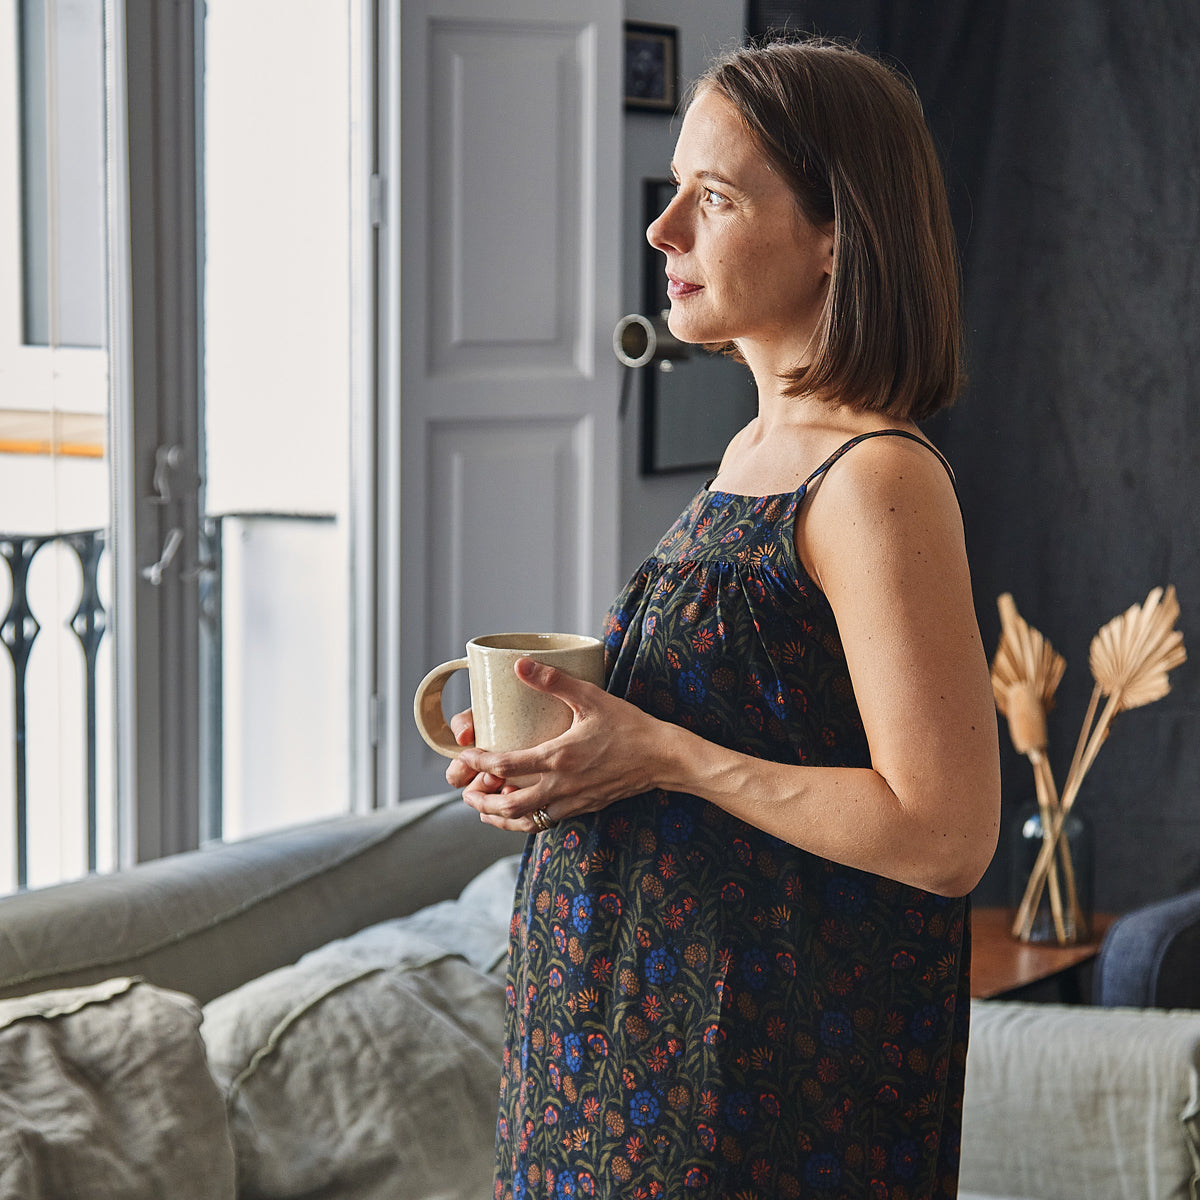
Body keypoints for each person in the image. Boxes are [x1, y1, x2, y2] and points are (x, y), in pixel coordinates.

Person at [447, 36, 1001, 1200]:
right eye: (674, 193)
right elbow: (744, 724)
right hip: (609, 1062)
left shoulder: (875, 478)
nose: (663, 232)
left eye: (714, 198)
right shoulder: (755, 450)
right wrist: (568, 760)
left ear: (835, 234)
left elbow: (945, 835)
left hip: (748, 1089)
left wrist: (663, 755)